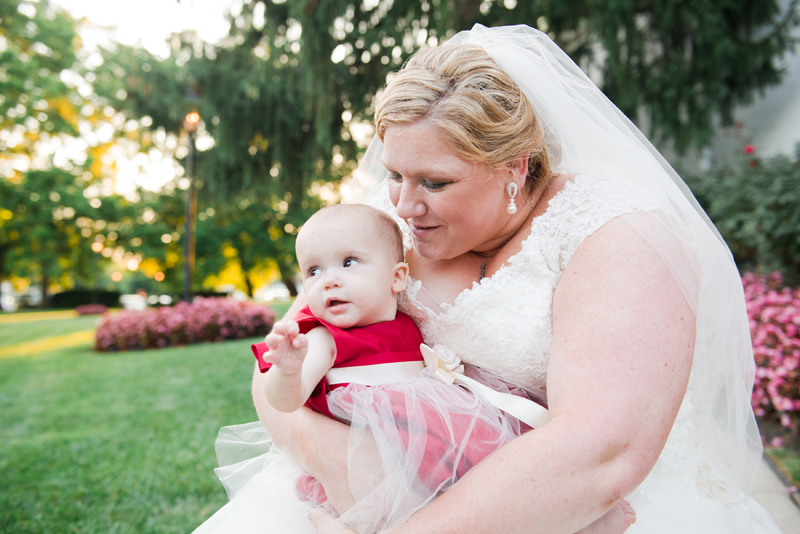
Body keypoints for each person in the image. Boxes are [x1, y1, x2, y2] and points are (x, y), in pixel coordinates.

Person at [202, 24, 783, 534]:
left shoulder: (619, 234)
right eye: (396, 173)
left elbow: (601, 453)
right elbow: (283, 354)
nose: (403, 205)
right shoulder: (383, 225)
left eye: (434, 183)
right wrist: (349, 471)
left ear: (517, 166)